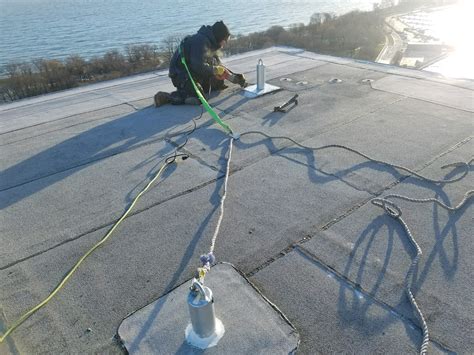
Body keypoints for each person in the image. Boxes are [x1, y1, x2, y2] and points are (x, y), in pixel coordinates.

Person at [154, 21, 246, 107]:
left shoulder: (211, 43)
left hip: (194, 72)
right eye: (225, 40)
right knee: (199, 98)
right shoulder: (200, 41)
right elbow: (198, 66)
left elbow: (218, 66)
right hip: (180, 75)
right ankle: (166, 97)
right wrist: (214, 70)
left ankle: (191, 89)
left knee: (218, 83)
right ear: (219, 37)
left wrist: (235, 78)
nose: (225, 43)